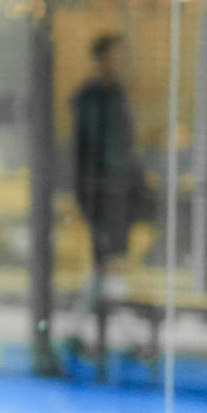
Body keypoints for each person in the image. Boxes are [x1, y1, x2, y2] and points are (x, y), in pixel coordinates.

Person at [67, 33, 142, 327]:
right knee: (105, 262)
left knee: (112, 263)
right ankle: (83, 327)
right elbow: (91, 150)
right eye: (114, 56)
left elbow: (124, 145)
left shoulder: (117, 96)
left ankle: (90, 327)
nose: (119, 63)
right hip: (99, 191)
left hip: (120, 190)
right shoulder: (89, 99)